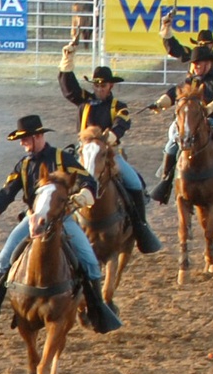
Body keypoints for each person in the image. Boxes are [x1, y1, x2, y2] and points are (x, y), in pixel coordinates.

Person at [0, 115, 122, 334]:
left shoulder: (62, 158)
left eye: (26, 139)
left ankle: (97, 309)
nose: (22, 144)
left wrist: (84, 194)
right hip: (32, 218)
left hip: (63, 219)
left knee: (89, 262)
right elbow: (6, 193)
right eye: (21, 140)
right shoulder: (23, 165)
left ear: (39, 136)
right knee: (3, 260)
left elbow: (87, 179)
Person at [58, 46, 163, 254]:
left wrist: (110, 137)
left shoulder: (118, 105)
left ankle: (141, 227)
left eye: (103, 85)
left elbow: (122, 122)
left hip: (109, 155)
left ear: (111, 86)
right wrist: (67, 60)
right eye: (96, 85)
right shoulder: (85, 101)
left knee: (134, 183)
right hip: (83, 153)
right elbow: (68, 88)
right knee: (57, 183)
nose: (99, 89)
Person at [147, 45, 213, 203]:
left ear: (208, 63)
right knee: (170, 147)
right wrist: (160, 103)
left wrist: (209, 108)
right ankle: (166, 182)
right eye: (194, 63)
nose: (194, 66)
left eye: (198, 63)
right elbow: (175, 92)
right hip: (194, 124)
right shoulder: (191, 81)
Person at [159, 23, 213, 159]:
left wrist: (211, 107)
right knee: (173, 135)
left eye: (206, 44)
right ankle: (168, 174)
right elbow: (175, 50)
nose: (203, 46)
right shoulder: (194, 58)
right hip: (192, 110)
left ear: (212, 45)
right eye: (200, 44)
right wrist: (167, 31)